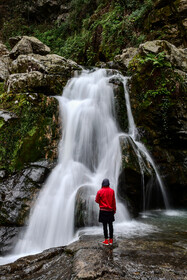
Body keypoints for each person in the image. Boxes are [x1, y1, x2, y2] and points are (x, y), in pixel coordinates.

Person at [95, 178, 116, 245]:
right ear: (108, 184)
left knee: (104, 226)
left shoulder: (99, 191)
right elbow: (113, 201)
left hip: (103, 211)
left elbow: (96, 200)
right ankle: (111, 240)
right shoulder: (112, 191)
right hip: (110, 211)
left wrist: (102, 203)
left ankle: (106, 240)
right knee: (110, 225)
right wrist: (114, 209)